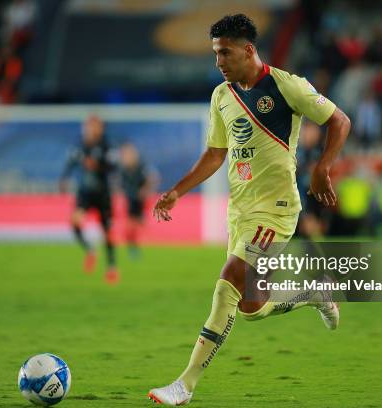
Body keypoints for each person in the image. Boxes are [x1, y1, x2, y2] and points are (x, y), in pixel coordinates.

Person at [148, 14, 351, 405]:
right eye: (215, 53)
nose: (218, 62)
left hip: (275, 211)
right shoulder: (221, 96)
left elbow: (339, 120)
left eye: (224, 53)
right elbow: (215, 154)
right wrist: (177, 191)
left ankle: (184, 385)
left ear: (248, 50)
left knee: (226, 284)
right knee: (251, 308)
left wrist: (323, 166)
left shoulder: (286, 85)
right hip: (240, 213)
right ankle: (313, 294)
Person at [60, 115, 118, 283]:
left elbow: (113, 167)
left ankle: (111, 267)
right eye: (88, 126)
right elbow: (71, 162)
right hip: (84, 193)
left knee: (107, 232)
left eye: (94, 126)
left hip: (103, 194)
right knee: (75, 222)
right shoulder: (79, 145)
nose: (91, 129)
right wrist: (64, 178)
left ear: (100, 128)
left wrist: (98, 166)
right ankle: (90, 250)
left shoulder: (107, 146)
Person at [118, 142, 157, 258]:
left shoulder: (141, 167)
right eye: (124, 155)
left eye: (129, 154)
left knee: (135, 225)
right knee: (129, 227)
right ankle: (133, 247)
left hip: (140, 200)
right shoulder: (123, 169)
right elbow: (120, 184)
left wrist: (145, 190)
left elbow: (152, 178)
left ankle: (138, 244)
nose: (126, 157)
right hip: (130, 199)